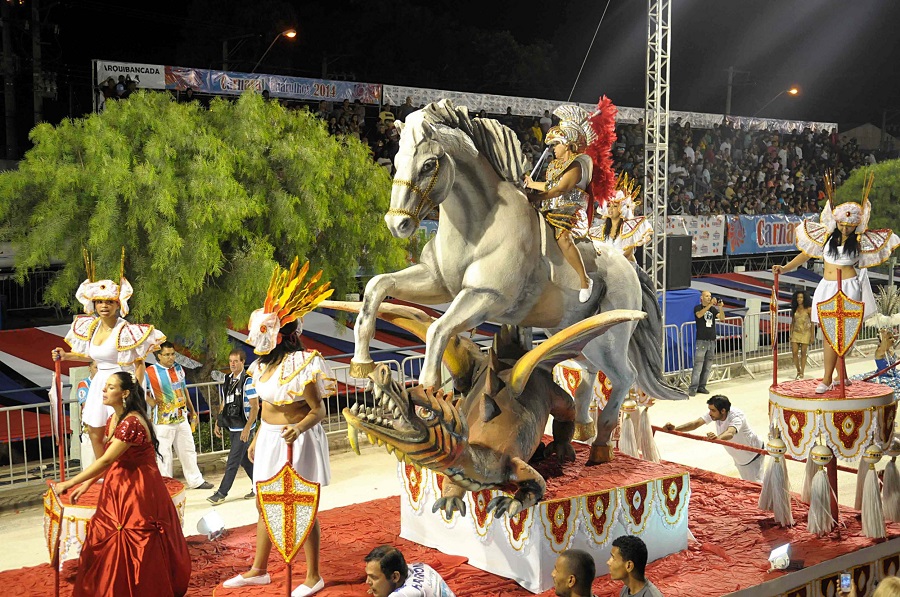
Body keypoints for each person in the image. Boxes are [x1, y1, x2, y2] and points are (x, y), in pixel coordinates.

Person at [223, 258, 334, 597]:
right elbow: (267, 408)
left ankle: (313, 575)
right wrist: (257, 435)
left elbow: (318, 410)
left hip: (298, 439)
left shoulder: (304, 363)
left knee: (301, 505)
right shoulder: (259, 367)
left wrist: (299, 428)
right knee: (264, 502)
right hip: (271, 439)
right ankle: (259, 570)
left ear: (281, 336)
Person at [52, 372, 191, 596]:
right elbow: (109, 460)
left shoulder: (132, 422)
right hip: (117, 485)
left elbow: (107, 459)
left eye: (110, 387)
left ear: (124, 393)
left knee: (133, 537)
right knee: (108, 537)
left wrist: (69, 482)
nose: (104, 391)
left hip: (137, 489)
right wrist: (87, 484)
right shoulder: (113, 419)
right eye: (105, 387)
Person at [773, 174, 899, 393]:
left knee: (844, 335)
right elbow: (805, 256)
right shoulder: (825, 238)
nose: (845, 228)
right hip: (826, 287)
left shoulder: (860, 242)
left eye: (850, 225)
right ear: (836, 222)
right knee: (829, 334)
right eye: (842, 224)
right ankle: (833, 377)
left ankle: (830, 377)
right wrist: (784, 268)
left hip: (848, 287)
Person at [52, 257, 165, 461]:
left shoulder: (126, 330)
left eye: (109, 302)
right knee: (95, 431)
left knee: (120, 433)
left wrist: (136, 392)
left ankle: (123, 471)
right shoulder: (91, 327)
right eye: (100, 302)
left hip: (120, 385)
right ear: (94, 304)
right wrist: (66, 355)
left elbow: (138, 363)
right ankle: (104, 472)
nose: (104, 306)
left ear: (117, 304)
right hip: (99, 385)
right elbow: (92, 356)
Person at [524, 105, 595, 302]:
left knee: (563, 237)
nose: (553, 149)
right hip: (551, 208)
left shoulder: (578, 163)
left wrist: (536, 197)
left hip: (571, 211)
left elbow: (560, 190)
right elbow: (550, 184)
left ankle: (584, 280)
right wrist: (531, 184)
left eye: (556, 144)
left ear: (567, 143)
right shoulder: (556, 165)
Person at [144, 341, 212, 490]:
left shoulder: (179, 368)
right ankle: (165, 485)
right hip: (163, 421)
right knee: (164, 454)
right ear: (159, 356)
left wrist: (192, 411)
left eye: (173, 354)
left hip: (182, 417)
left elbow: (184, 389)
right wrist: (151, 402)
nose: (171, 357)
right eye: (167, 355)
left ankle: (196, 481)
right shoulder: (150, 372)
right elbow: (139, 389)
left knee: (188, 449)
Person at [664, 394, 764, 482]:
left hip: (752, 455)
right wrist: (675, 429)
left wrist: (717, 438)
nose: (710, 413)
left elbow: (730, 433)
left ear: (723, 411)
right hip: (740, 457)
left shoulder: (737, 417)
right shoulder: (715, 414)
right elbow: (695, 424)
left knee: (756, 486)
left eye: (712, 410)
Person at [208, 348, 259, 503]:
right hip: (232, 425)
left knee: (233, 461)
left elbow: (255, 406)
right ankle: (260, 485)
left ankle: (221, 493)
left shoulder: (248, 381)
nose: (232, 364)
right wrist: (219, 421)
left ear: (243, 362)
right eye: (230, 361)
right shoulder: (228, 379)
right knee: (244, 459)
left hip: (244, 427)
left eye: (236, 361)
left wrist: (247, 428)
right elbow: (225, 401)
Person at [588, 173, 652, 262]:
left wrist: (613, 265)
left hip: (628, 269)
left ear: (622, 208)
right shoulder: (600, 231)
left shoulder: (629, 229)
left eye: (614, 206)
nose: (610, 209)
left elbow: (628, 254)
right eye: (608, 206)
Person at [363, 545, 455, 597]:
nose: (368, 582)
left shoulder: (404, 594)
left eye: (374, 577)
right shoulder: (420, 566)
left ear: (395, 577)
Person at [687, 291, 725, 396]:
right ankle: (693, 388)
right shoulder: (698, 308)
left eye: (710, 296)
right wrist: (710, 305)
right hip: (701, 340)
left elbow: (722, 318)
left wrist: (720, 307)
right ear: (702, 298)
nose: (709, 298)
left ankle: (702, 386)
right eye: (707, 296)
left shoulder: (712, 309)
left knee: (707, 366)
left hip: (711, 340)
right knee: (698, 365)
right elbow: (699, 315)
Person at [75, 361, 98, 467]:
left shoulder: (108, 383)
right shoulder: (84, 384)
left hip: (105, 426)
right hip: (90, 426)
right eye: (95, 367)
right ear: (89, 368)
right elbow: (86, 404)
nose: (98, 371)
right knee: (90, 458)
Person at [789, 290, 813, 379]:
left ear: (804, 298)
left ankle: (802, 372)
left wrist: (812, 336)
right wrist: (790, 333)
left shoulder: (809, 309)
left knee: (803, 353)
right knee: (794, 353)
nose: (799, 299)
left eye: (801, 297)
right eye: (798, 297)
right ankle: (798, 370)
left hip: (806, 332)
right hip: (796, 332)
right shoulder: (795, 308)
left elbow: (812, 322)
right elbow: (793, 322)